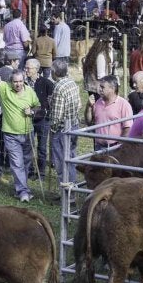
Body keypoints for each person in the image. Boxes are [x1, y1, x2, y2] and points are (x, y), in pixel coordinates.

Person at [0, 65, 40, 201]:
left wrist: (31, 112)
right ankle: (23, 192)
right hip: (10, 134)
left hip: (28, 133)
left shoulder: (30, 91)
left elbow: (37, 106)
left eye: (20, 81)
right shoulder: (4, 88)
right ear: (11, 82)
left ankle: (20, 188)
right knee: (16, 163)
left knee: (26, 162)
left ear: (24, 80)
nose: (18, 84)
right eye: (15, 82)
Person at [49, 61, 85, 189]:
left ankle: (67, 194)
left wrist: (52, 129)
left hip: (62, 130)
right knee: (71, 159)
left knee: (61, 162)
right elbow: (79, 104)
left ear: (54, 73)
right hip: (74, 126)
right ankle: (73, 190)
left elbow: (57, 116)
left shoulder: (58, 87)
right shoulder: (72, 83)